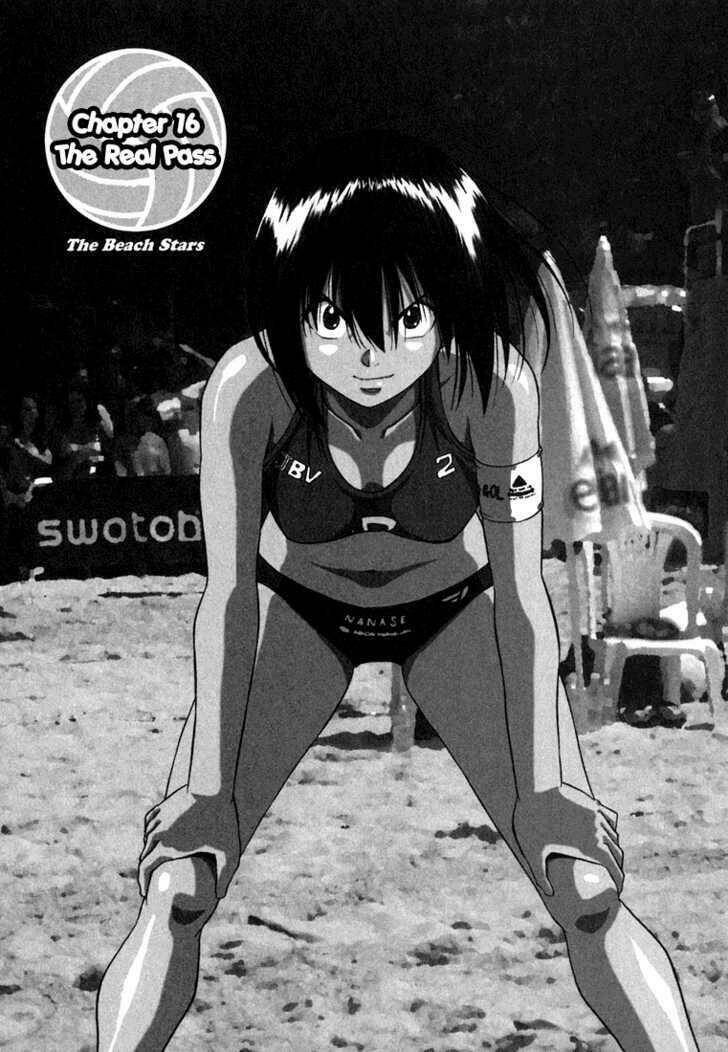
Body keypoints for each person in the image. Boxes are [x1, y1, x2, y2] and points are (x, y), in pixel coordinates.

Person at [97, 132, 697, 1050]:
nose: (371, 355)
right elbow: (228, 600)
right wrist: (207, 790)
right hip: (300, 613)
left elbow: (522, 596)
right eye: (337, 322)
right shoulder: (249, 389)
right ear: (292, 303)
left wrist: (547, 790)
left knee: (585, 887)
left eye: (406, 319)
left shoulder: (491, 384)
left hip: (453, 611)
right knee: (180, 882)